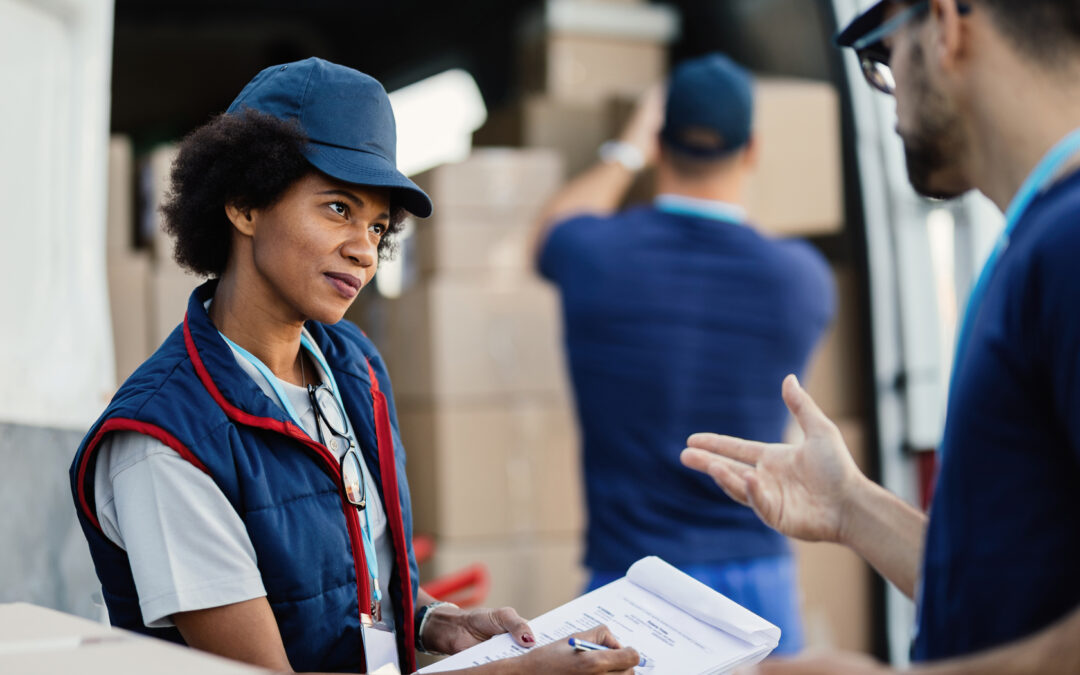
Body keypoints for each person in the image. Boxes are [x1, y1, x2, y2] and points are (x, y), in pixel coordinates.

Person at [69, 57, 640, 675]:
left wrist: (431, 620)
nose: (364, 249)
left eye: (377, 224)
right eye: (338, 208)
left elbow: (340, 591)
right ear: (243, 205)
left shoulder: (351, 367)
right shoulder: (163, 443)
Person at [681, 1, 1080, 673]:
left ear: (948, 25)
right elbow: (1015, 594)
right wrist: (851, 505)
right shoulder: (1043, 238)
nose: (890, 105)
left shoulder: (1069, 245)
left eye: (883, 59)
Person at [531, 53, 836, 656]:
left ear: (659, 143)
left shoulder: (591, 254)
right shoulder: (802, 279)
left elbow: (549, 230)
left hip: (629, 585)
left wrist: (625, 152)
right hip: (758, 586)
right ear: (751, 150)